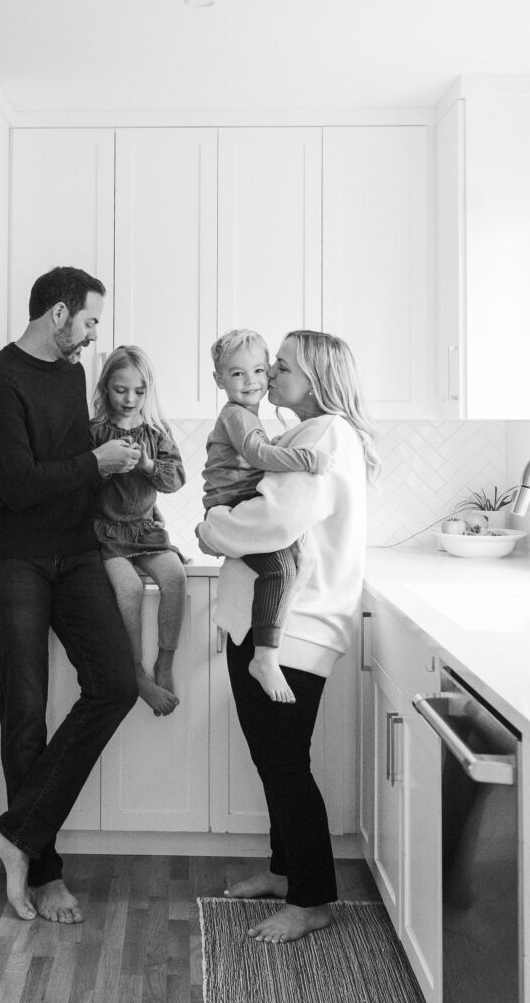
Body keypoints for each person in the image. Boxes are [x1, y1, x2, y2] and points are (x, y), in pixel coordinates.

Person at [0, 266, 139, 926]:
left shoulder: (68, 377)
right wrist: (96, 464)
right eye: (91, 321)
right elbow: (17, 482)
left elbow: (71, 477)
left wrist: (127, 481)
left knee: (115, 684)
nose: (95, 336)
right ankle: (41, 871)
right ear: (61, 314)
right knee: (26, 710)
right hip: (10, 557)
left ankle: (14, 831)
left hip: (74, 552)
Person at [197, 329, 379, 944]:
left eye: (283, 367)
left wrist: (211, 527)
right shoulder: (308, 434)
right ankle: (285, 870)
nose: (270, 375)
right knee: (274, 760)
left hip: (291, 632)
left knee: (283, 764)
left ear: (318, 380)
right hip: (279, 626)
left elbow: (274, 520)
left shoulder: (324, 433)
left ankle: (312, 899)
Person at [203, 329, 333, 703]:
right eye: (237, 374)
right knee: (280, 569)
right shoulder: (237, 415)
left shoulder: (246, 416)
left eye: (260, 370)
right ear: (219, 380)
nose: (253, 381)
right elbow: (258, 455)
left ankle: (269, 644)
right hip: (231, 505)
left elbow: (257, 451)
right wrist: (306, 458)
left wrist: (278, 445)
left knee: (291, 561)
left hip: (236, 503)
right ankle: (264, 657)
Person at [90, 345, 188, 717]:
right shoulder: (95, 432)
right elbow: (82, 488)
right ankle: (136, 673)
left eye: (139, 391)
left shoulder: (157, 432)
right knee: (128, 588)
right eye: (120, 390)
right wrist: (105, 467)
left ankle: (165, 661)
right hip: (108, 535)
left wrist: (147, 464)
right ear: (105, 389)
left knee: (176, 577)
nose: (130, 399)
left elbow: (175, 479)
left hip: (147, 531)